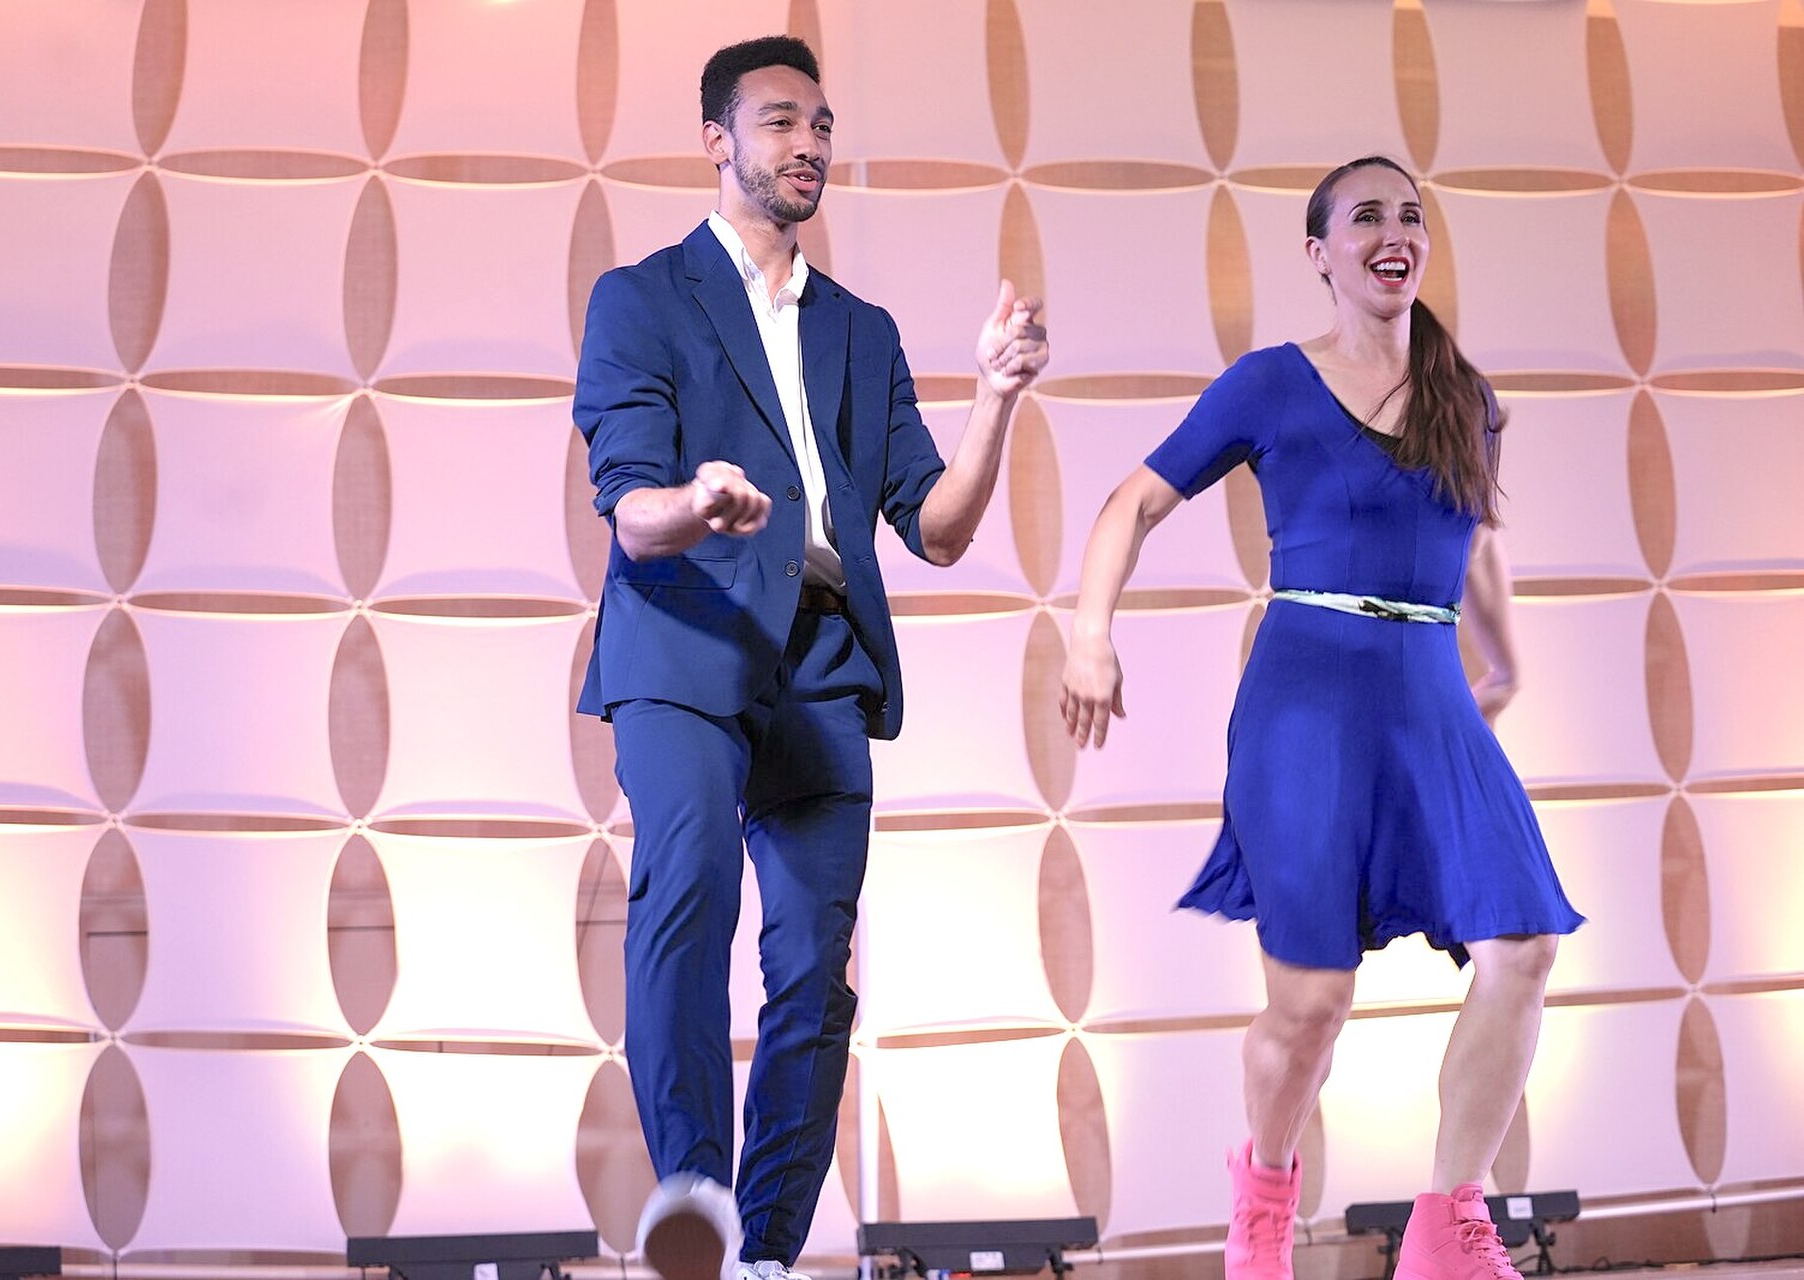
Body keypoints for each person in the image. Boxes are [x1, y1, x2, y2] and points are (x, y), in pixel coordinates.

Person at [573, 34, 1048, 1280]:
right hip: (684, 635)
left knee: (814, 968)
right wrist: (700, 500)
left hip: (824, 656)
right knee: (687, 898)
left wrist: (994, 396)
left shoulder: (861, 329)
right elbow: (627, 507)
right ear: (719, 140)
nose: (809, 145)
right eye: (780, 121)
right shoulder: (642, 298)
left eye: (822, 126)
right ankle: (695, 1197)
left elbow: (936, 529)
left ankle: (766, 1251)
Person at [1058, 156, 1583, 1280]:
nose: (1393, 234)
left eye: (1410, 216)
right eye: (1365, 219)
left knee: (1526, 943)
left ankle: (1450, 1220)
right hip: (1305, 690)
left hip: (1427, 691)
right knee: (1311, 1001)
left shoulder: (1468, 397)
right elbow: (1132, 501)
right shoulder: (1270, 383)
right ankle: (1263, 1195)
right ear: (1320, 253)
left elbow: (1471, 536)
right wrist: (1090, 632)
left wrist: (1505, 661)